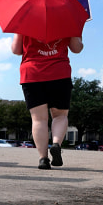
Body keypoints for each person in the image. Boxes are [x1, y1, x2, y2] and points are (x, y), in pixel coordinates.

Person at [11, 35, 83, 169]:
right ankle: (56, 144)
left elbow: (16, 50)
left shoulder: (24, 19)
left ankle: (43, 159)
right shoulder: (69, 18)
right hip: (59, 73)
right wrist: (75, 33)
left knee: (39, 120)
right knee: (60, 115)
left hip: (32, 73)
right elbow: (76, 48)